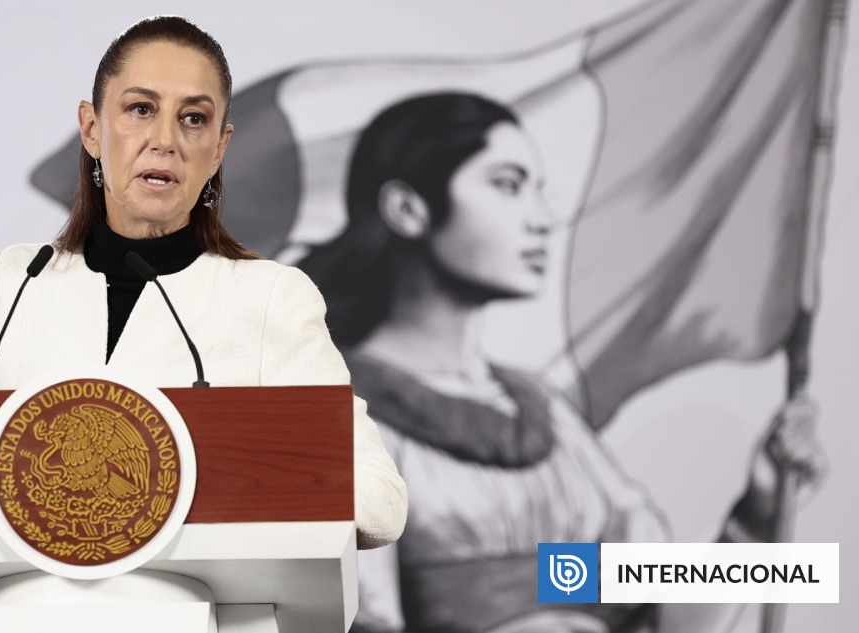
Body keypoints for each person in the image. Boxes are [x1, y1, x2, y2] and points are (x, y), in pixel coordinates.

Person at [0, 16, 408, 551]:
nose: (165, 139)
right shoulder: (11, 285)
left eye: (194, 118)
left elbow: (380, 504)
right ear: (92, 129)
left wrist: (206, 474)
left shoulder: (270, 298)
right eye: (141, 109)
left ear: (219, 148)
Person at [296, 93, 827, 633]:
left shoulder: (545, 414)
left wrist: (757, 514)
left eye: (538, 191)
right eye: (508, 185)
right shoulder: (327, 417)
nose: (543, 219)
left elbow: (656, 612)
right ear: (408, 209)